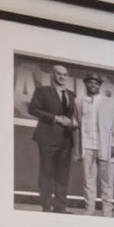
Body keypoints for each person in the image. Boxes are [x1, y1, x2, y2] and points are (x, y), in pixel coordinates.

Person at [27, 63, 80, 214]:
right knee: (47, 172)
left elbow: (73, 116)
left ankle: (60, 207)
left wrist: (74, 122)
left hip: (66, 139)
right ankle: (46, 206)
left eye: (65, 74)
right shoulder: (43, 91)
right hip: (47, 138)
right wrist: (55, 118)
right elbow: (32, 109)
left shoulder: (72, 94)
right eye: (59, 74)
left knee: (63, 174)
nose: (62, 77)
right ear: (52, 75)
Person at [78, 73, 114, 217]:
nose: (93, 85)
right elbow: (77, 122)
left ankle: (107, 212)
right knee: (88, 181)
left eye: (96, 83)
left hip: (105, 148)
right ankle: (89, 209)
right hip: (87, 146)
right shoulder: (80, 101)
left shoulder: (110, 102)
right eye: (90, 82)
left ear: (100, 85)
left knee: (107, 182)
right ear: (86, 84)